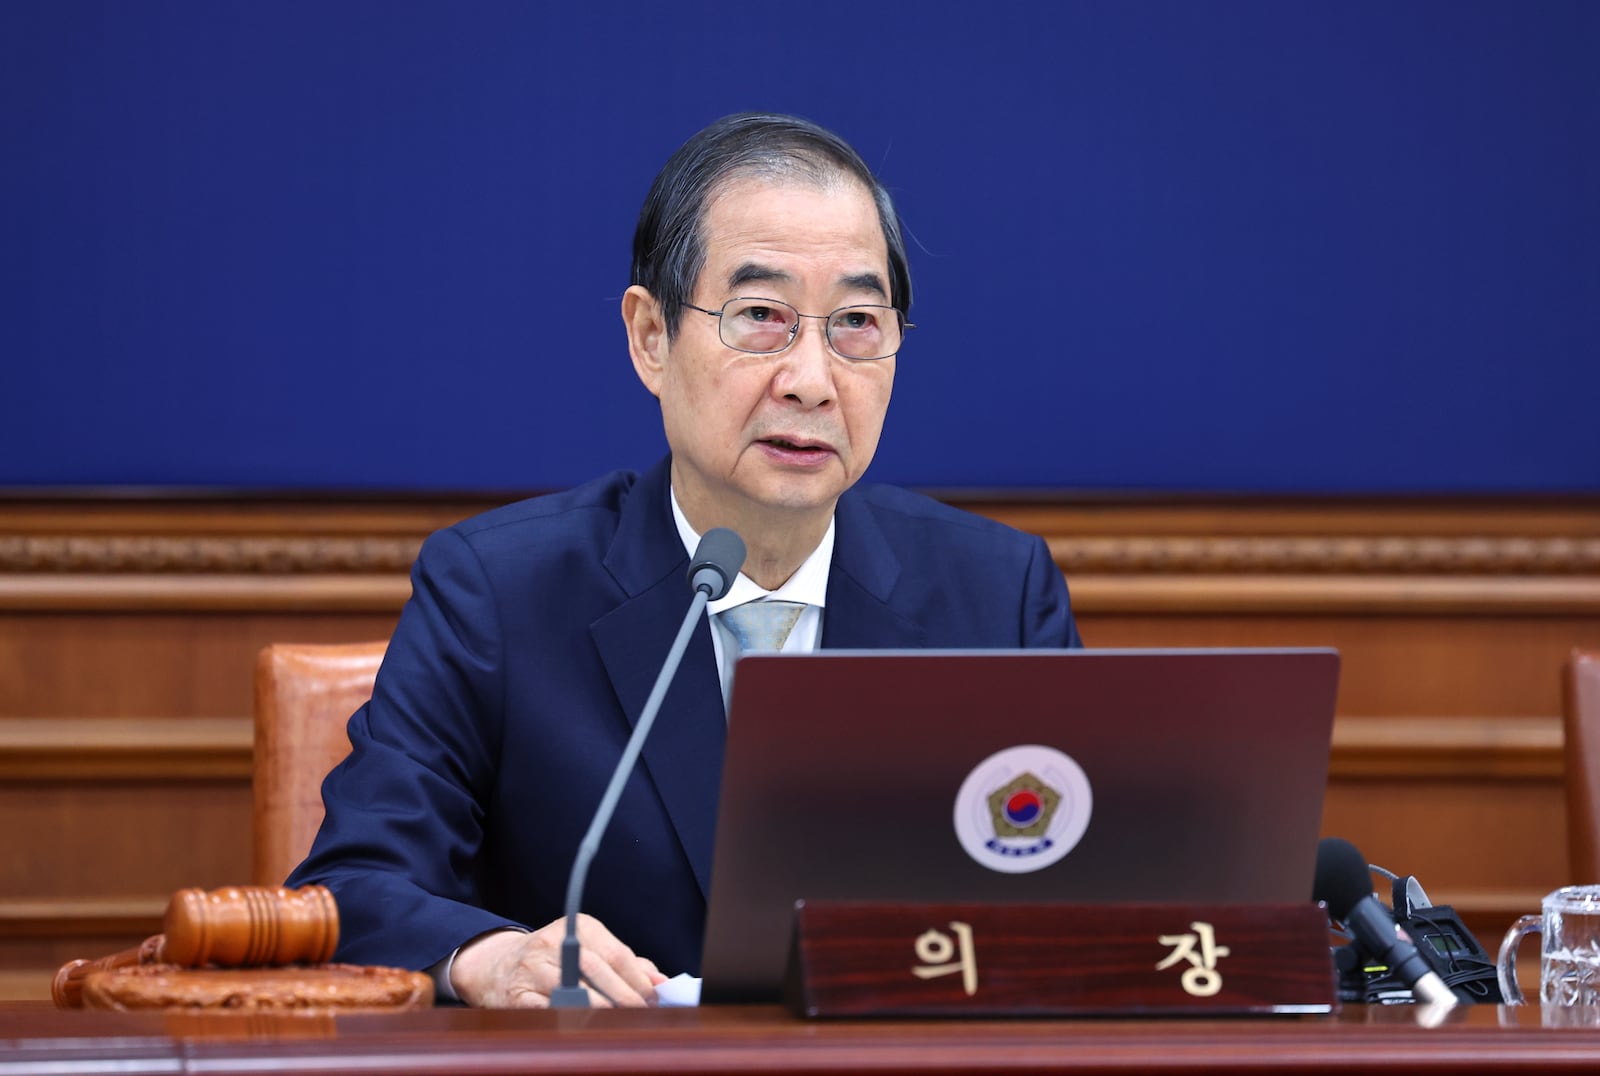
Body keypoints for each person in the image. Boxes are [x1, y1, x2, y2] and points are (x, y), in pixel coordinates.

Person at [287, 112, 1083, 1008]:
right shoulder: (499, 595)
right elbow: (348, 891)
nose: (813, 379)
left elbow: (1091, 903)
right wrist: (488, 957)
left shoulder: (998, 597)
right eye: (761, 318)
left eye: (857, 321)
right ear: (651, 338)